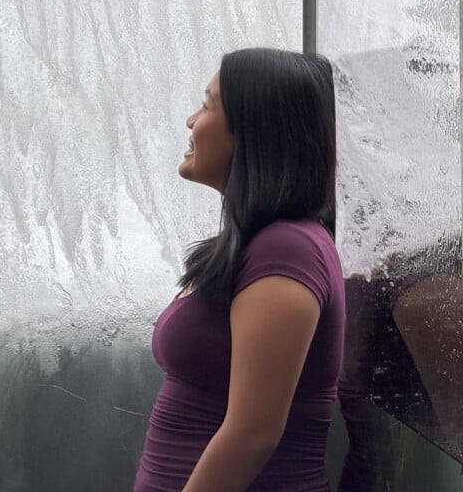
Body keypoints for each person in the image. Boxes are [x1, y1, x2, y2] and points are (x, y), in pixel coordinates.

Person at [134, 48, 345, 491]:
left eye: (207, 106)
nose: (192, 121)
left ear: (253, 133)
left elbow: (253, 434)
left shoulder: (287, 249)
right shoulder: (258, 244)